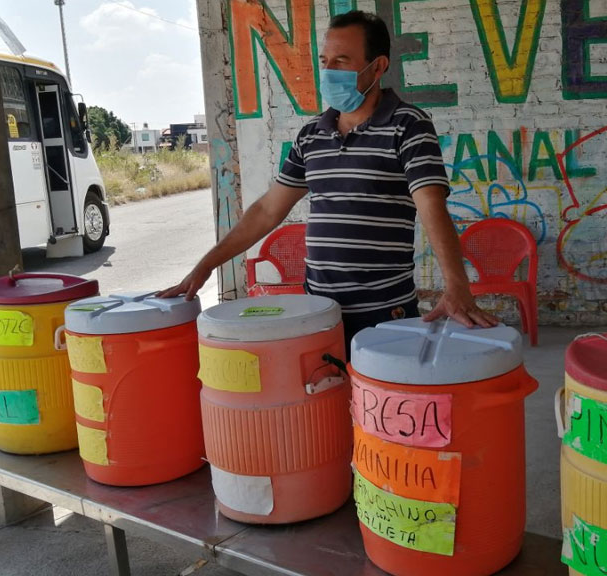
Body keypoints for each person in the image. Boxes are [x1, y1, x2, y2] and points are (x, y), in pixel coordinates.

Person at [159, 10, 498, 354]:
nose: (329, 71)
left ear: (378, 67)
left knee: (377, 406)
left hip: (385, 314)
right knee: (322, 406)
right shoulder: (311, 136)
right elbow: (266, 211)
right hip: (319, 314)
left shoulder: (408, 126)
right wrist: (205, 266)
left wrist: (456, 286)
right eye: (325, 61)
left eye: (342, 60)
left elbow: (431, 206)